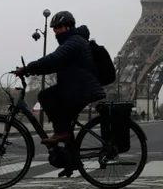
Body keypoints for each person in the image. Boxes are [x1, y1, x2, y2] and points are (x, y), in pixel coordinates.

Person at [15, 11, 106, 145]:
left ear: (68, 27)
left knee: (45, 96)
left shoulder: (74, 41)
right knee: (64, 121)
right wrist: (31, 71)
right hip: (79, 87)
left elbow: (53, 58)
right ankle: (69, 155)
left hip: (83, 89)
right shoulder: (73, 41)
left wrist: (28, 67)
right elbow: (53, 66)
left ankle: (62, 133)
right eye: (53, 28)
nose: (55, 31)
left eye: (58, 27)